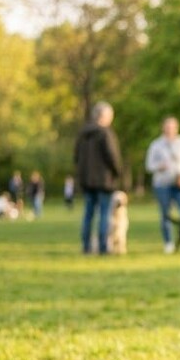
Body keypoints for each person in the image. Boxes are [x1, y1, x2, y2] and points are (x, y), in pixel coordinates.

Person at [145, 116, 180, 253]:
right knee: (166, 213)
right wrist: (159, 166)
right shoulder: (156, 145)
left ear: (177, 128)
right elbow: (149, 165)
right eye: (167, 127)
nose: (170, 130)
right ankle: (169, 243)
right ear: (163, 128)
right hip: (162, 184)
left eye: (172, 127)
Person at [74, 101, 124, 255]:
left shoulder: (83, 134)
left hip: (87, 181)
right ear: (105, 116)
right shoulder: (105, 133)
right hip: (104, 181)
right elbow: (112, 156)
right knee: (104, 214)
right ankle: (103, 247)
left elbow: (76, 157)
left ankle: (86, 246)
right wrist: (117, 172)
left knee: (88, 214)